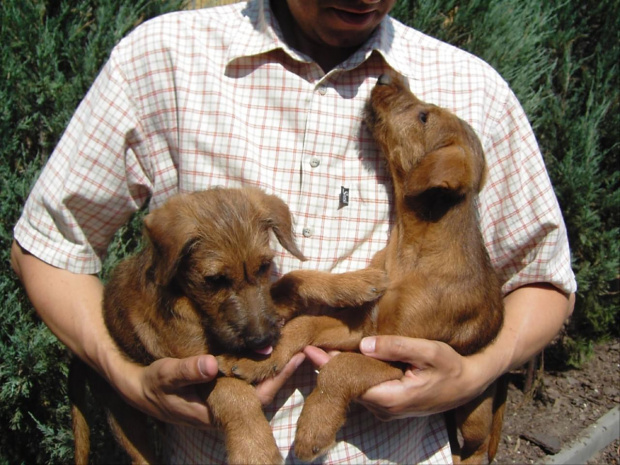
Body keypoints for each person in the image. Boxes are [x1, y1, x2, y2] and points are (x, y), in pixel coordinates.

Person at [11, 0, 576, 463]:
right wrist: (127, 378)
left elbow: (543, 278)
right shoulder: (162, 60)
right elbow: (49, 245)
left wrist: (475, 371)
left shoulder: (474, 88)